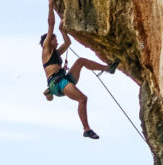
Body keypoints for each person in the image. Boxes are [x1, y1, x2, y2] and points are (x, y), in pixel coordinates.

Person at [42, 1, 118, 139]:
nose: (57, 41)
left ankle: (108, 68)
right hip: (57, 83)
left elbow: (68, 43)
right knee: (82, 99)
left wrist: (62, 30)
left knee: (81, 61)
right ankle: (86, 129)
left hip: (64, 79)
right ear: (48, 41)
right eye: (55, 39)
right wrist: (51, 5)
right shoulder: (46, 49)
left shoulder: (57, 53)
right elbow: (50, 24)